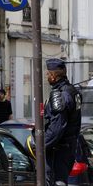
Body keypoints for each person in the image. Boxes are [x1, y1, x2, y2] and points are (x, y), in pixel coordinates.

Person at [44, 58, 81, 186]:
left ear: (53, 76)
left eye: (48, 73)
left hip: (58, 151)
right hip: (67, 148)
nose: (46, 76)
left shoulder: (60, 95)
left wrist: (40, 145)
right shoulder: (71, 91)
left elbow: (57, 128)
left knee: (56, 182)